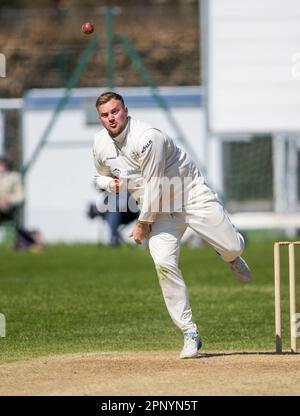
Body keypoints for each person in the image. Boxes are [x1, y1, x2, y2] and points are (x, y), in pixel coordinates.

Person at [92, 91, 251, 359]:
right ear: (100, 119)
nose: (111, 118)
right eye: (105, 115)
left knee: (233, 247)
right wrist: (111, 183)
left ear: (126, 110)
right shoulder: (100, 144)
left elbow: (154, 184)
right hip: (162, 212)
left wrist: (143, 223)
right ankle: (190, 333)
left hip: (191, 195)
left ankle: (228, 255)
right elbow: (99, 177)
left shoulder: (147, 138)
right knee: (164, 264)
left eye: (115, 111)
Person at [0, 156, 43, 252]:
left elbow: (20, 196)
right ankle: (31, 238)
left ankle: (32, 239)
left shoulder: (14, 177)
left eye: (2, 164)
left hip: (7, 209)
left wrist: (8, 199)